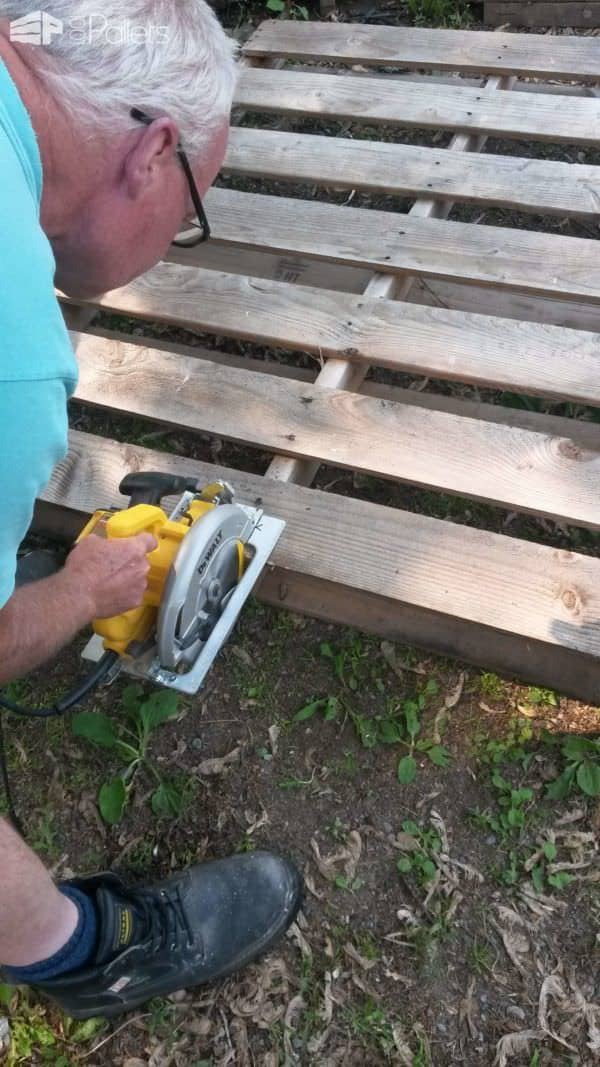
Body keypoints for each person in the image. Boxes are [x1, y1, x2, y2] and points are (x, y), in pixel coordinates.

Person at [0, 1, 302, 1021]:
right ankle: (84, 951)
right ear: (151, 153)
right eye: (185, 214)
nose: (167, 243)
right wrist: (82, 586)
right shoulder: (12, 357)